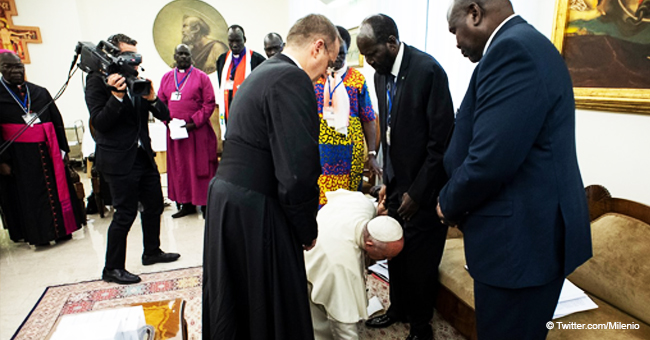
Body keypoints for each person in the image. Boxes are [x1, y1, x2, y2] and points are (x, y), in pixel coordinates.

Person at [437, 1, 593, 339]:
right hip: (521, 240)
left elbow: (490, 160)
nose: (456, 42)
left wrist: (446, 202)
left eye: (454, 30)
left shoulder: (512, 50)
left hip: (520, 247)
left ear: (475, 13)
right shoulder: (521, 44)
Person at [202, 14, 340, 340]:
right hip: (255, 207)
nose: (324, 76)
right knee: (272, 304)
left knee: (237, 303)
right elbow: (296, 173)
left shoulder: (263, 72)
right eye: (328, 64)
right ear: (317, 47)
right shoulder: (292, 80)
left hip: (228, 199)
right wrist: (306, 229)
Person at [357, 14, 454, 340]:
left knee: (421, 263)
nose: (369, 62)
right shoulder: (380, 76)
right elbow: (389, 136)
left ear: (392, 42)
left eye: (372, 54)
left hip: (426, 191)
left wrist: (418, 192)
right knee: (393, 251)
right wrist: (387, 182)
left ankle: (421, 326)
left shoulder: (428, 71)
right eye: (365, 56)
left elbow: (440, 143)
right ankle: (396, 309)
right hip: (398, 185)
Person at [84, 34, 180, 285]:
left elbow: (164, 114)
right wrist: (115, 96)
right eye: (129, 56)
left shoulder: (136, 79)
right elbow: (100, 123)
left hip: (142, 155)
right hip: (117, 160)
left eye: (136, 57)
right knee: (125, 214)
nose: (134, 62)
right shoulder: (96, 81)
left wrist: (153, 99)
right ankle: (112, 268)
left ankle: (152, 251)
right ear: (113, 55)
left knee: (155, 205)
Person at [0, 49, 83, 246]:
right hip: (19, 157)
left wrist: (64, 151)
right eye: (8, 67)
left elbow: (57, 120)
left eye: (18, 66)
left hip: (49, 151)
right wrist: (1, 160)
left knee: (56, 189)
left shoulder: (38, 91)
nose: (15, 71)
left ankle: (63, 230)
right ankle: (40, 236)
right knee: (30, 197)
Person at [305, 189, 404, 340]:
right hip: (310, 267)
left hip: (324, 241)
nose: (388, 260)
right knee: (321, 320)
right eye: (385, 256)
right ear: (369, 244)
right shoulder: (342, 266)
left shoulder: (363, 204)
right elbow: (344, 325)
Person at [314, 26, 380, 208]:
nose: (337, 58)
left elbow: (368, 118)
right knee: (324, 203)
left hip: (351, 151)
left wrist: (372, 154)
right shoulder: (315, 78)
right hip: (321, 152)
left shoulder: (357, 79)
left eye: (342, 54)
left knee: (349, 205)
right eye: (334, 53)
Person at [158, 44, 217, 219]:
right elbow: (161, 104)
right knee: (181, 168)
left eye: (186, 54)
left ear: (192, 57)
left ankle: (206, 205)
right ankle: (186, 204)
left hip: (197, 133)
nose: (183, 57)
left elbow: (209, 104)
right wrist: (168, 122)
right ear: (175, 57)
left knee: (201, 167)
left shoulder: (202, 78)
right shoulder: (167, 78)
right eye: (180, 54)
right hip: (176, 135)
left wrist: (193, 123)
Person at [215, 25, 266, 134]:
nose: (234, 45)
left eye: (238, 41)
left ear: (244, 39)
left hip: (249, 115)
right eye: (231, 41)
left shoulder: (257, 60)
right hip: (228, 113)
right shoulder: (221, 60)